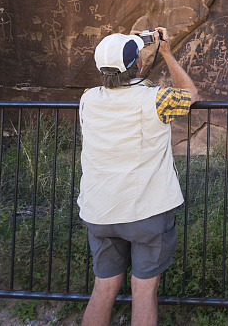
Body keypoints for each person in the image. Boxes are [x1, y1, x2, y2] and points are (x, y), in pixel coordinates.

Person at [78, 27, 198, 326]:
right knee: (143, 290)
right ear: (138, 65)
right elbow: (191, 94)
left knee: (104, 287)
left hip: (99, 211)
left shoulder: (87, 100)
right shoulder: (156, 100)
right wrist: (167, 53)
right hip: (146, 211)